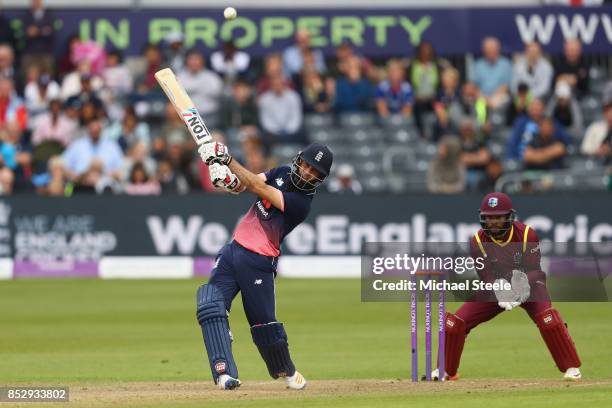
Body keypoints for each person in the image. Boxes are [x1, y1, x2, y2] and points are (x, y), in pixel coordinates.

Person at [195, 140, 333, 390]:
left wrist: (227, 159)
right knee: (209, 306)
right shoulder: (280, 172)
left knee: (264, 328)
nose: (308, 173)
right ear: (299, 160)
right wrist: (224, 178)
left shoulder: (302, 204)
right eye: (308, 166)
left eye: (316, 173)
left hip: (259, 262)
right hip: (232, 251)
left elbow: (258, 187)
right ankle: (224, 374)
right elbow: (244, 185)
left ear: (321, 179)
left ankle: (288, 371)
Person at [433, 192, 582, 381]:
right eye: (489, 218)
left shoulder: (527, 234)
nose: (493, 222)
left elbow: (536, 271)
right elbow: (486, 276)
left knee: (548, 320)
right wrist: (501, 289)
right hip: (497, 289)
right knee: (454, 323)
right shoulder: (477, 241)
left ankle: (571, 367)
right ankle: (446, 370)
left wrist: (518, 287)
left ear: (509, 216)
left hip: (530, 286)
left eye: (498, 217)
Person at [470, 37, 512, 110]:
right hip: (482, 96)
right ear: (484, 51)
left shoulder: (505, 64)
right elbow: (474, 86)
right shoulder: (478, 65)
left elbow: (505, 86)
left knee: (501, 101)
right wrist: (485, 99)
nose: (491, 52)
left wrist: (493, 99)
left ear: (498, 50)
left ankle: (498, 121)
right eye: (489, 50)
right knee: (479, 104)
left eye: (493, 49)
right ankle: (482, 121)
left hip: (500, 96)